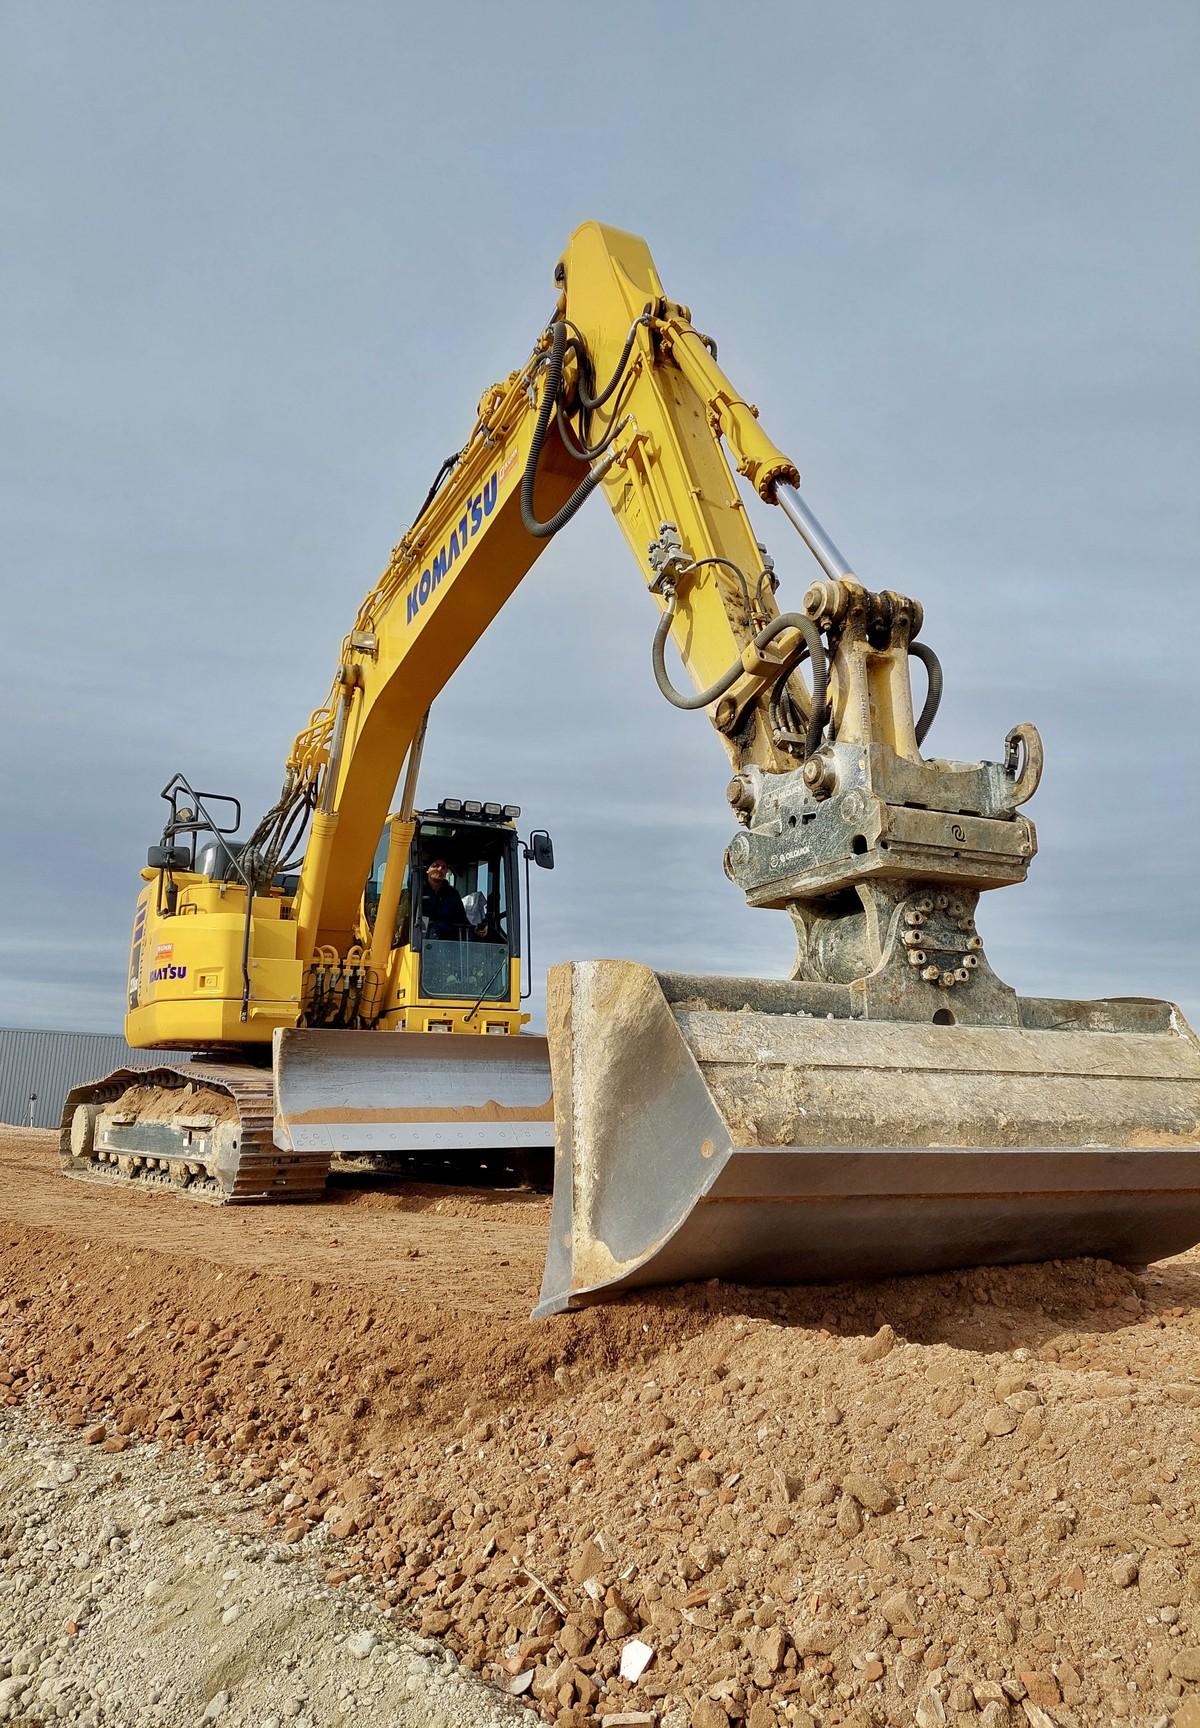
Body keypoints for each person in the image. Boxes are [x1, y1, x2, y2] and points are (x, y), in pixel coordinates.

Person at [420, 857, 467, 939]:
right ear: (427, 870)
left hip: (447, 942)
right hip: (420, 941)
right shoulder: (416, 892)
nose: (440, 869)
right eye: (436, 866)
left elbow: (461, 920)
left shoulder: (453, 894)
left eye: (444, 867)